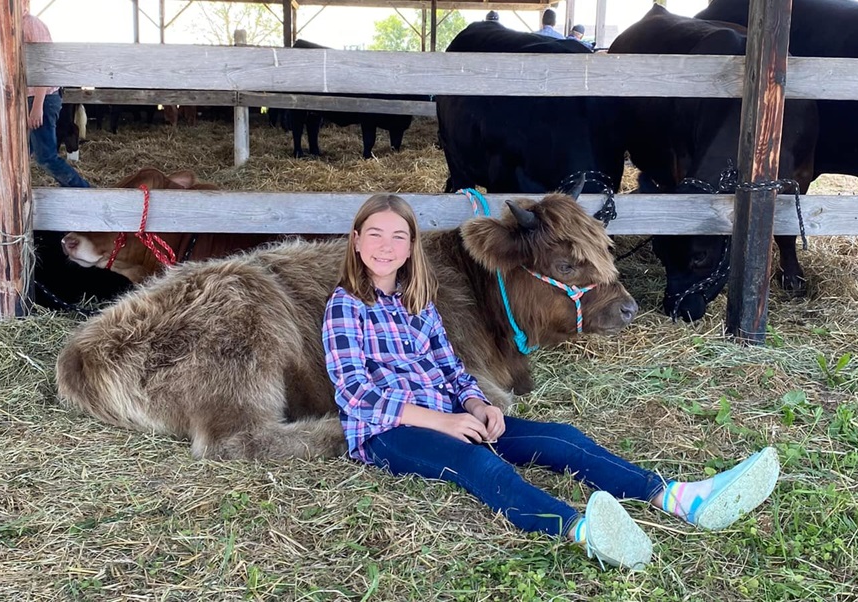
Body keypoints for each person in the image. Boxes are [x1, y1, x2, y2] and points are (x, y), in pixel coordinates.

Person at [322, 193, 781, 570]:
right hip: (387, 433)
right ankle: (580, 530)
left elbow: (451, 368)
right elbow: (355, 394)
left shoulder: (418, 301)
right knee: (479, 466)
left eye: (398, 236)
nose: (386, 247)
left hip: (451, 414)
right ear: (356, 241)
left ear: (411, 247)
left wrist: (477, 404)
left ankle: (680, 497)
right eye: (375, 234)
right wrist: (442, 423)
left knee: (562, 438)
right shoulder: (345, 306)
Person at [21, 0, 90, 188]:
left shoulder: (30, 24)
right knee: (22, 151)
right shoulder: (14, 27)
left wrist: (37, 106)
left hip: (41, 97)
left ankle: (83, 190)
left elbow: (45, 65)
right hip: (29, 97)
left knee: (45, 157)